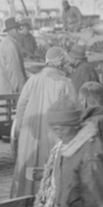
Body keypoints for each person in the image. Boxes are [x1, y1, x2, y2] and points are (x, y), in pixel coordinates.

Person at [11, 46, 76, 198]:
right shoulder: (65, 83)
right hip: (53, 136)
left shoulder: (32, 80)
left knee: (27, 169)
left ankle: (25, 200)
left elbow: (20, 108)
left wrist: (21, 132)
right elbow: (72, 114)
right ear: (60, 64)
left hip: (30, 137)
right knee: (51, 170)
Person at [0, 18, 28, 94]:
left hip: (3, 87)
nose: (19, 32)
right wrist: (22, 90)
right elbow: (14, 71)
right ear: (10, 31)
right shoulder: (10, 46)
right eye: (16, 30)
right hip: (9, 90)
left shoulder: (6, 43)